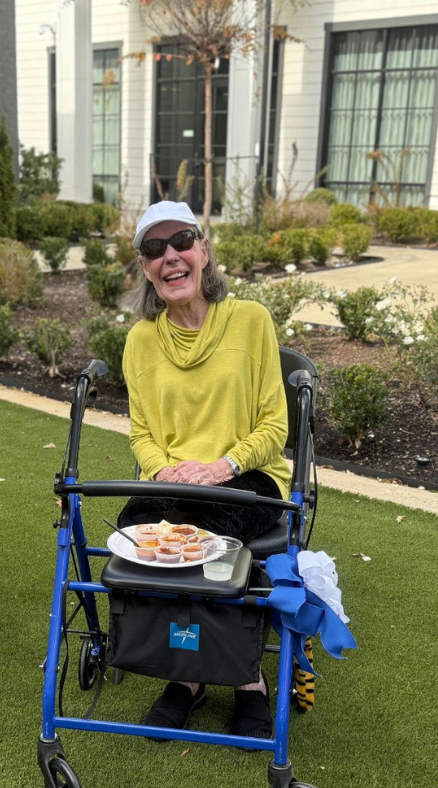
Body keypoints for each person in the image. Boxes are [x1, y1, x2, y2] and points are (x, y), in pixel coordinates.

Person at [116, 201, 289, 741]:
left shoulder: (250, 320)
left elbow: (274, 425)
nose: (170, 256)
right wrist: (164, 472)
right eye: (153, 248)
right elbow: (141, 432)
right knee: (134, 537)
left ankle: (247, 679)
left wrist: (220, 466)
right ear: (145, 267)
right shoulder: (141, 339)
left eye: (182, 240)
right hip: (173, 477)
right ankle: (186, 674)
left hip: (249, 471)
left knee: (205, 534)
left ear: (204, 251)